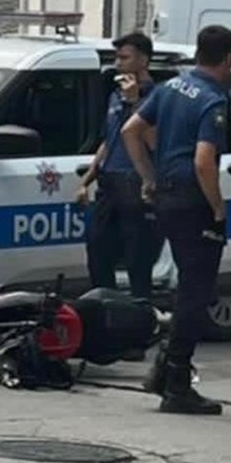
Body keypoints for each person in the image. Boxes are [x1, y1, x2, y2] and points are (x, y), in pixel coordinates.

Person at [120, 25, 231, 415]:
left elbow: (130, 130)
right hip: (193, 202)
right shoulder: (213, 100)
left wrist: (149, 178)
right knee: (196, 294)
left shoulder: (170, 88)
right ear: (229, 58)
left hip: (167, 196)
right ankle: (178, 383)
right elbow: (205, 160)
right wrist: (218, 208)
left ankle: (163, 372)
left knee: (187, 287)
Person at [77, 33, 160, 300]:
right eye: (117, 58)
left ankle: (141, 313)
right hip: (109, 183)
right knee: (97, 250)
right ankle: (107, 310)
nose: (119, 63)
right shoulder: (115, 95)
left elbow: (154, 141)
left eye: (125, 57)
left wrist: (134, 102)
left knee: (137, 258)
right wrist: (86, 181)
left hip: (135, 184)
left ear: (144, 59)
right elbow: (108, 141)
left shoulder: (155, 97)